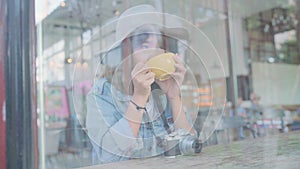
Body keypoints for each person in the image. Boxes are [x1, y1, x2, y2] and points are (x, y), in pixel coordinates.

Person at [86, 5, 195, 164]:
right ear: (126, 52)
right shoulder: (101, 95)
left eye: (157, 45)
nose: (153, 53)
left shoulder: (161, 90)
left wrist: (174, 96)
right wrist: (139, 97)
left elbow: (190, 146)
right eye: (144, 46)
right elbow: (110, 158)